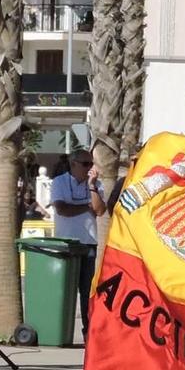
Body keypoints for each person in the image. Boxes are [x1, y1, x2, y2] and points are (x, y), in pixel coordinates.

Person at [44, 146, 105, 341]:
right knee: (65, 290)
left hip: (88, 243)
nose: (89, 168)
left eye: (91, 164)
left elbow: (99, 210)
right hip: (66, 242)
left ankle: (89, 332)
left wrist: (92, 186)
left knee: (87, 290)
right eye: (85, 164)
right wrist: (84, 207)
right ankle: (59, 331)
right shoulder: (59, 182)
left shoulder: (95, 184)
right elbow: (62, 209)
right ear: (73, 164)